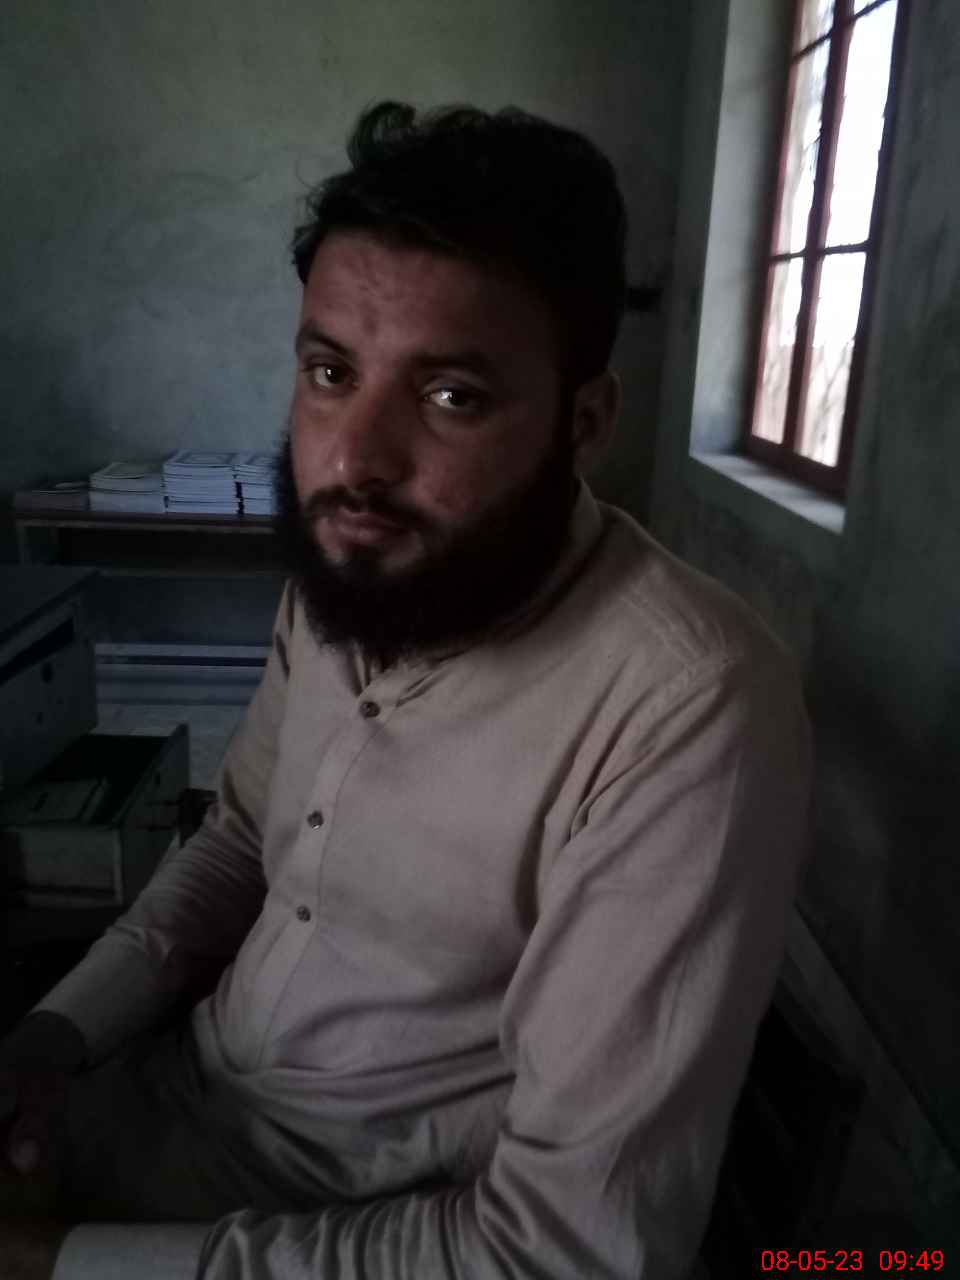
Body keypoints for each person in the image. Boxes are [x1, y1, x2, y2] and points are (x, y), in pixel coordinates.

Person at [0, 101, 811, 1280]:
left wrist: (62, 1261)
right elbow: (241, 838)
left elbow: (564, 1252)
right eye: (331, 372)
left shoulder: (685, 710)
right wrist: (56, 1033)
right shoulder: (351, 574)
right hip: (151, 1094)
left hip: (337, 1230)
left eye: (452, 396)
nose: (355, 461)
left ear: (584, 420)